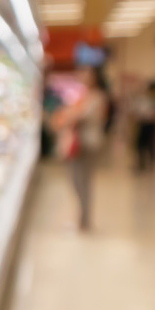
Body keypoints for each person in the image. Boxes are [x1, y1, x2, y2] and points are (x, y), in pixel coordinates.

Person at [54, 67, 108, 231]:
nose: (83, 78)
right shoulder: (84, 95)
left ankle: (83, 222)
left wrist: (68, 117)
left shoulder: (97, 97)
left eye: (87, 75)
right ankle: (82, 219)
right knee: (77, 181)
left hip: (87, 144)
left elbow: (84, 117)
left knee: (82, 181)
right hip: (81, 142)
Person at [133, 81, 155, 172]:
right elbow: (138, 112)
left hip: (151, 124)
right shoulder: (145, 100)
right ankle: (141, 163)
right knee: (141, 144)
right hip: (144, 124)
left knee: (150, 145)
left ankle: (149, 164)